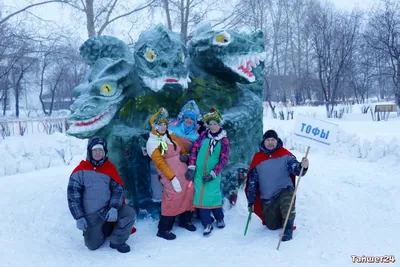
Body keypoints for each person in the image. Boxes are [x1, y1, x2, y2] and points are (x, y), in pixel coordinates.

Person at [67, 136, 136, 253]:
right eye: (95, 150)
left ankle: (117, 241)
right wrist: (79, 217)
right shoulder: (80, 171)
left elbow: (117, 190)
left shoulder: (110, 168)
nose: (98, 153)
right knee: (92, 245)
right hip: (91, 215)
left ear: (104, 152)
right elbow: (73, 197)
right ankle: (104, 228)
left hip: (108, 210)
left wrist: (114, 207)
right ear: (90, 151)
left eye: (101, 150)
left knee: (129, 213)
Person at [245, 129, 309, 241]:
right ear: (264, 142)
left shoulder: (285, 155)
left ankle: (288, 229)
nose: (270, 142)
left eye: (273, 140)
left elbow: (296, 169)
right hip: (268, 198)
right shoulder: (258, 158)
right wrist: (251, 201)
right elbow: (252, 183)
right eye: (268, 140)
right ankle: (281, 217)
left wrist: (302, 166)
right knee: (272, 226)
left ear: (277, 140)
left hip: (284, 190)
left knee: (287, 200)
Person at [146, 108, 196, 240]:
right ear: (154, 126)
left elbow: (181, 147)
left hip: (183, 170)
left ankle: (185, 220)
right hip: (169, 174)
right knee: (172, 197)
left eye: (164, 124)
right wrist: (172, 178)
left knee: (189, 191)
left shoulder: (171, 134)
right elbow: (160, 164)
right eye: (160, 125)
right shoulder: (152, 143)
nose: (163, 127)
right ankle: (164, 229)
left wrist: (186, 156)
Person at [185, 108, 230, 236]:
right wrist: (192, 166)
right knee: (201, 197)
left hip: (213, 174)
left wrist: (214, 173)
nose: (212, 126)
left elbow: (223, 159)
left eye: (215, 124)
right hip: (199, 172)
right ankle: (206, 224)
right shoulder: (203, 135)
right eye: (210, 124)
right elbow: (194, 150)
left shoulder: (224, 140)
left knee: (214, 195)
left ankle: (219, 217)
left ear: (220, 125)